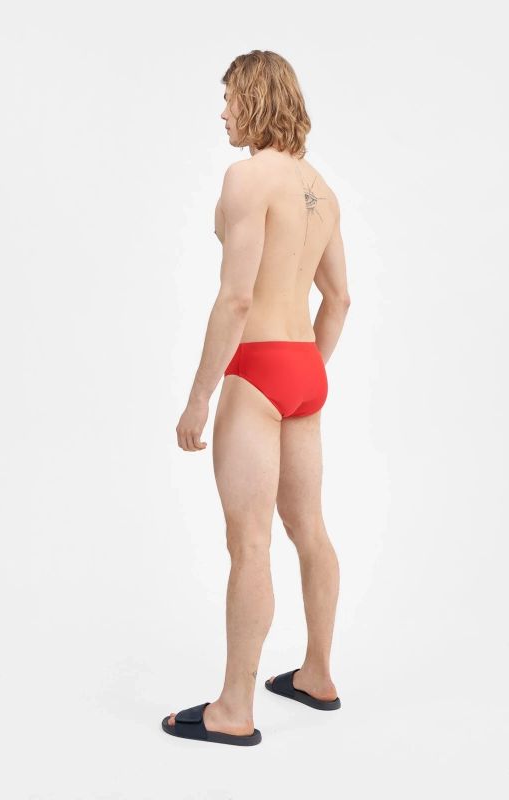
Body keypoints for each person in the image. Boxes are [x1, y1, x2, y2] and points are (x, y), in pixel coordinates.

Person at [162, 50, 351, 746]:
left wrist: (199, 398)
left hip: (258, 366)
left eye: (231, 98)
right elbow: (339, 299)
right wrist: (306, 376)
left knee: (250, 544)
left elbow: (237, 298)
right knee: (311, 530)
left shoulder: (247, 177)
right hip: (303, 368)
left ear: (256, 98)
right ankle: (317, 675)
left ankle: (233, 711)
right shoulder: (321, 188)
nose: (223, 112)